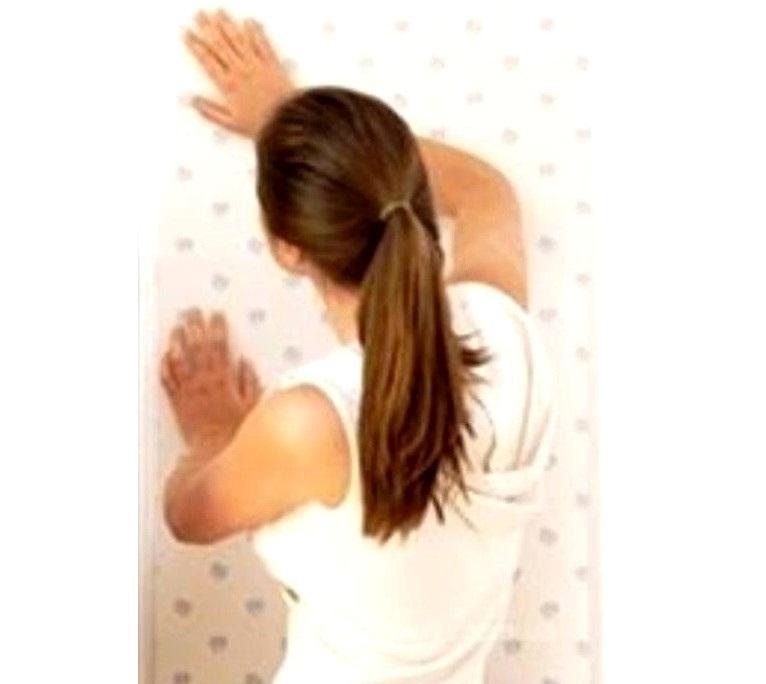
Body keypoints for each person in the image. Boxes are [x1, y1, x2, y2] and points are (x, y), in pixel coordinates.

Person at [160, 9, 558, 683]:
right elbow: (486, 191)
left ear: (288, 249)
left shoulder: (308, 423)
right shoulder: (502, 339)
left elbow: (188, 517)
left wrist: (212, 431)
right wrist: (298, 128)